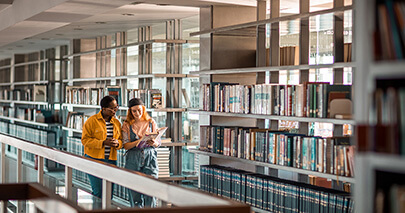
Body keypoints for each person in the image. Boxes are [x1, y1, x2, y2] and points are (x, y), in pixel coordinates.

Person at [81, 95, 123, 199]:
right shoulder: (91, 121)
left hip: (111, 161)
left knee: (109, 194)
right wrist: (103, 143)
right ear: (103, 109)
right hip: (94, 160)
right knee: (98, 192)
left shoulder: (117, 123)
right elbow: (85, 140)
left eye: (116, 107)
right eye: (112, 108)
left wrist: (117, 143)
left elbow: (121, 141)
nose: (114, 111)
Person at [122, 98, 160, 208]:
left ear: (143, 109)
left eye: (139, 110)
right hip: (133, 158)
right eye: (134, 111)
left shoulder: (151, 122)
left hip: (150, 158)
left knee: (151, 191)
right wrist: (137, 142)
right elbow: (125, 146)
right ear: (130, 111)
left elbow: (158, 143)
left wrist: (154, 142)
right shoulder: (126, 125)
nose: (137, 113)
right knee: (134, 192)